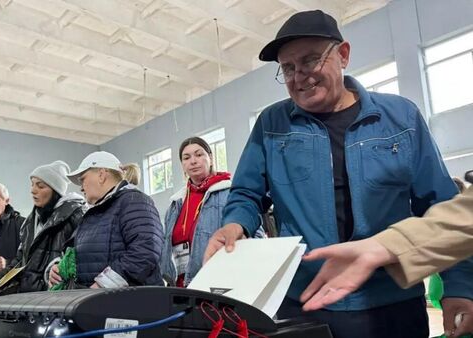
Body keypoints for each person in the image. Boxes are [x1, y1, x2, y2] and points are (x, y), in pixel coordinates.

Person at [202, 9, 472, 338]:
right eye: (288, 68)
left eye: (310, 60)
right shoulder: (272, 126)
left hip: (392, 301)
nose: (299, 76)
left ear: (343, 54)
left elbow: (440, 204)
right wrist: (236, 223)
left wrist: (459, 287)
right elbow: (247, 193)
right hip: (305, 302)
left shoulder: (401, 117)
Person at [301, 184, 473, 337]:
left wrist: (458, 286)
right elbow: (463, 215)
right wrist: (384, 246)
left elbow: (446, 205)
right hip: (305, 300)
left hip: (397, 300)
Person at [49, 151, 164, 288]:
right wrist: (59, 268)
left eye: (83, 179)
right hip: (100, 303)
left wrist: (104, 284)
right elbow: (75, 254)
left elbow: (145, 250)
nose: (81, 187)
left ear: (101, 175)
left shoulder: (133, 201)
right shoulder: (92, 215)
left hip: (131, 304)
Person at [0, 161, 86, 293]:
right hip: (30, 301)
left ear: (55, 191)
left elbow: (81, 260)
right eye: (32, 184)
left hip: (56, 301)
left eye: (40, 186)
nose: (33, 190)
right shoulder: (29, 223)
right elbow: (18, 264)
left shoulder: (76, 216)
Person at [159, 137, 233, 287]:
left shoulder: (230, 193)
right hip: (180, 286)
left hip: (218, 284)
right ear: (182, 165)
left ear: (210, 158)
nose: (193, 161)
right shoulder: (175, 203)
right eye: (186, 157)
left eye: (199, 155)